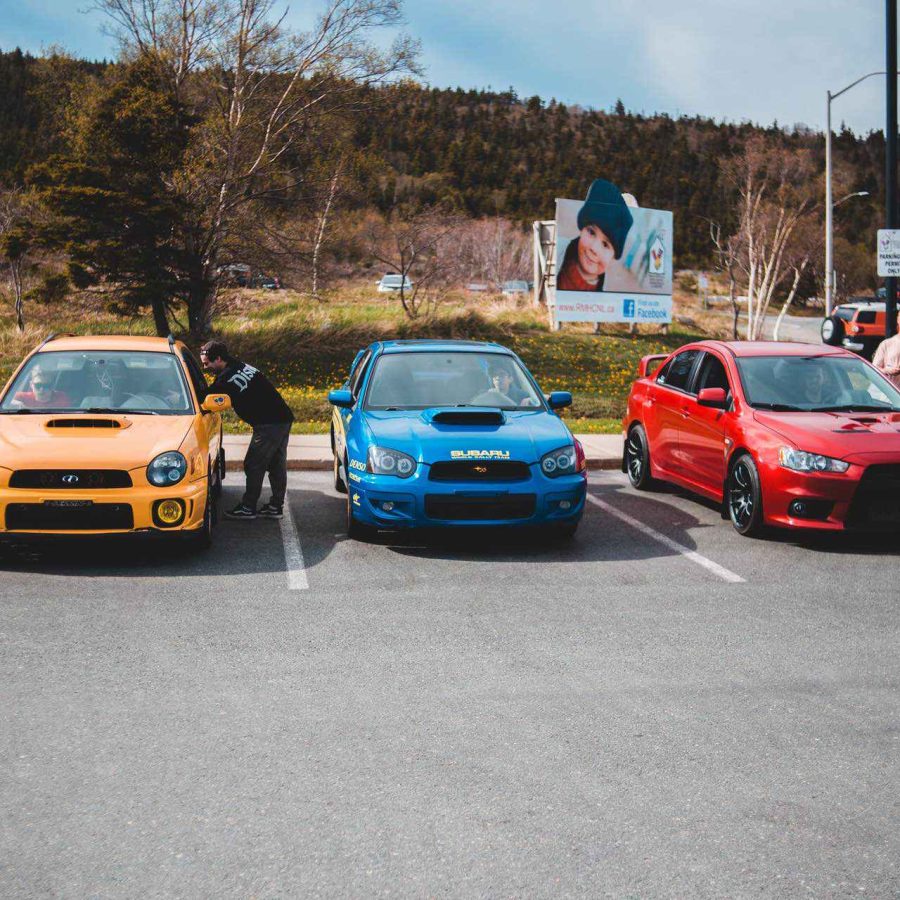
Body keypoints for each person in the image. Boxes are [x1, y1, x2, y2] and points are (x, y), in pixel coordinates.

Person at [200, 340, 294, 520]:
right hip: (282, 417)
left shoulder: (226, 379)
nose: (205, 367)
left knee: (253, 463)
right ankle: (275, 506)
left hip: (269, 423)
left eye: (207, 363)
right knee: (276, 464)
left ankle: (248, 507)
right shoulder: (239, 364)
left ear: (218, 359)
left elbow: (205, 398)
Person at [556, 179, 634, 292]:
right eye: (591, 232)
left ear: (613, 258)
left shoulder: (611, 293)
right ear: (582, 229)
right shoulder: (558, 254)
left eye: (605, 244)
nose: (594, 249)